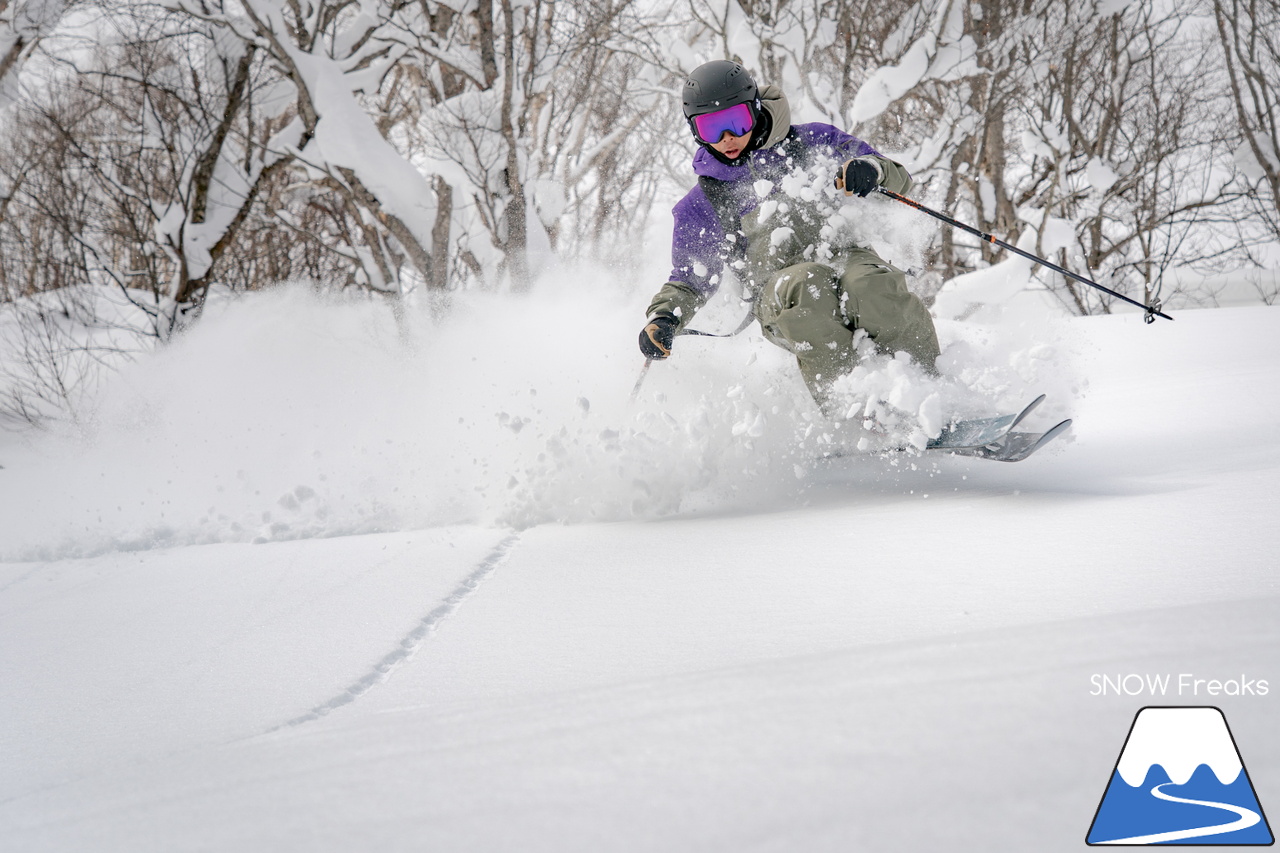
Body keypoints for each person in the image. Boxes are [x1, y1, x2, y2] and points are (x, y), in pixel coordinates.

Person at [638, 60, 941, 414]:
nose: (727, 138)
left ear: (754, 109)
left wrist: (870, 169)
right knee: (806, 286)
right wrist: (664, 317)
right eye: (711, 128)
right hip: (776, 289)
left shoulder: (813, 142)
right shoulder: (704, 202)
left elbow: (898, 179)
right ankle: (853, 413)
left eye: (736, 122)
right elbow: (690, 279)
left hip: (842, 252)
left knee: (869, 284)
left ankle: (929, 394)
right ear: (696, 132)